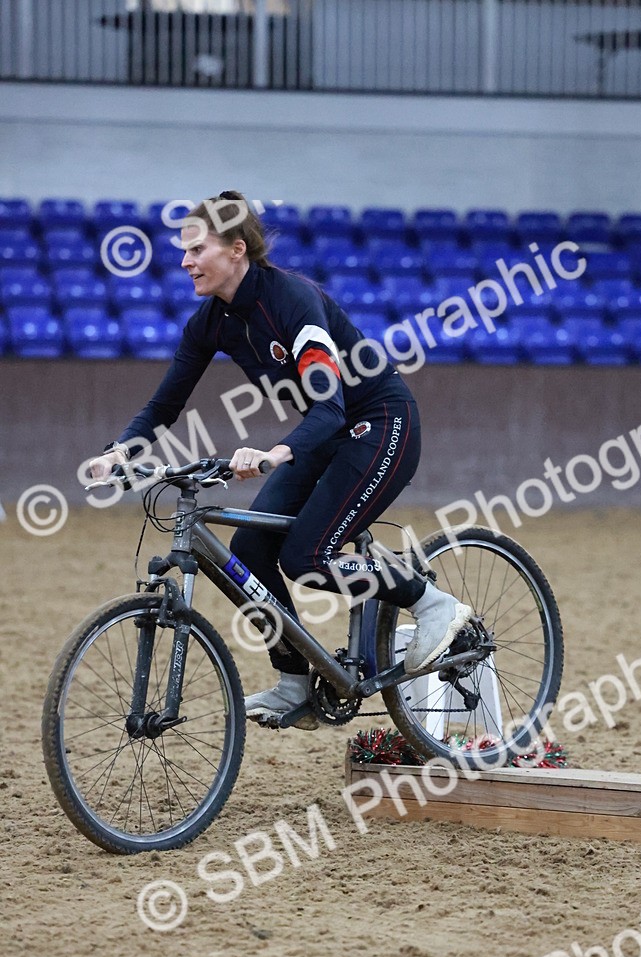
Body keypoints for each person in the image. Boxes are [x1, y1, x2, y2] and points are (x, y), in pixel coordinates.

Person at [90, 190, 471, 729]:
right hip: (324, 434)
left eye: (197, 249)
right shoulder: (210, 322)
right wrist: (118, 454)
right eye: (185, 251)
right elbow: (164, 405)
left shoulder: (292, 301)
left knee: (307, 558)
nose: (184, 261)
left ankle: (430, 601)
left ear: (237, 250)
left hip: (378, 424)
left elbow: (331, 407)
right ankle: (295, 682)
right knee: (250, 548)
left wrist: (275, 453)